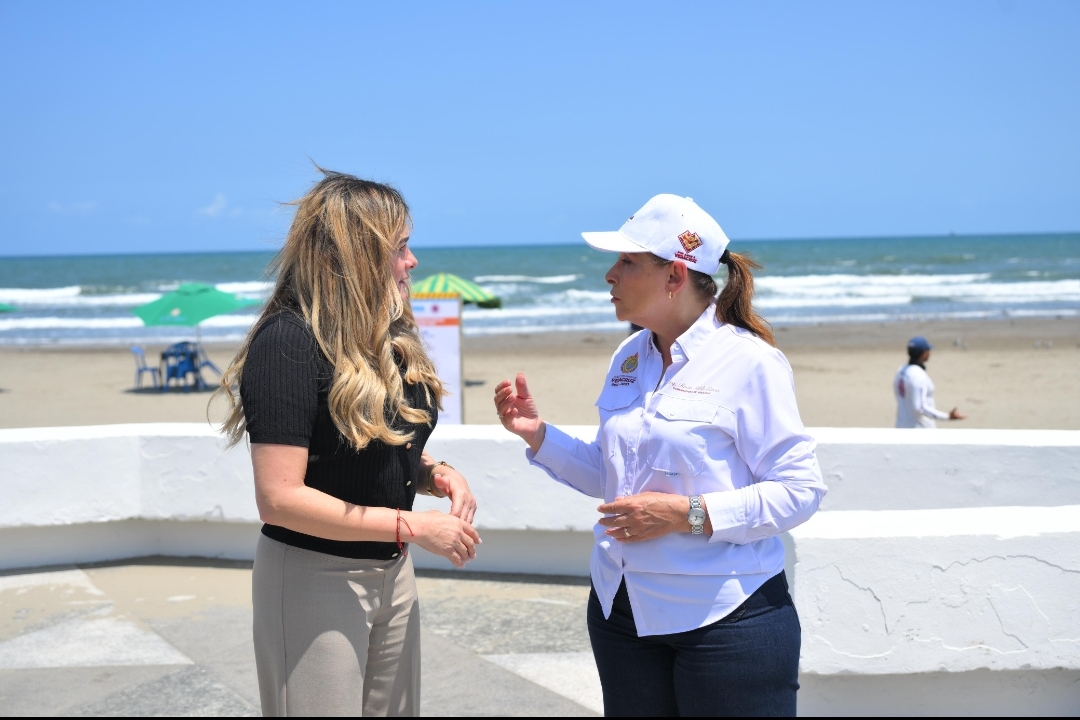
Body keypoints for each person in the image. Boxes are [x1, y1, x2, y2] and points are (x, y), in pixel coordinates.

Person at [493, 194, 826, 716]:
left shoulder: (751, 362)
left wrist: (684, 515)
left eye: (628, 261)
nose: (610, 274)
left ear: (675, 275)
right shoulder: (629, 355)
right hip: (621, 611)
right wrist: (538, 436)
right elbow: (614, 478)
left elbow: (800, 491)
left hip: (725, 619)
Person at [216, 171, 481, 717]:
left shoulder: (382, 338)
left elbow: (367, 446)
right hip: (314, 574)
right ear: (358, 253)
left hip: (392, 570)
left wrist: (434, 473)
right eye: (400, 247)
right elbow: (279, 498)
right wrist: (415, 527)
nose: (412, 261)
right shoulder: (288, 342)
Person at [893, 336, 966, 428]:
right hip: (920, 429)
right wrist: (947, 416)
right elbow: (920, 407)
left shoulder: (901, 370)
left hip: (901, 426)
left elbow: (899, 395)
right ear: (924, 353)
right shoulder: (918, 375)